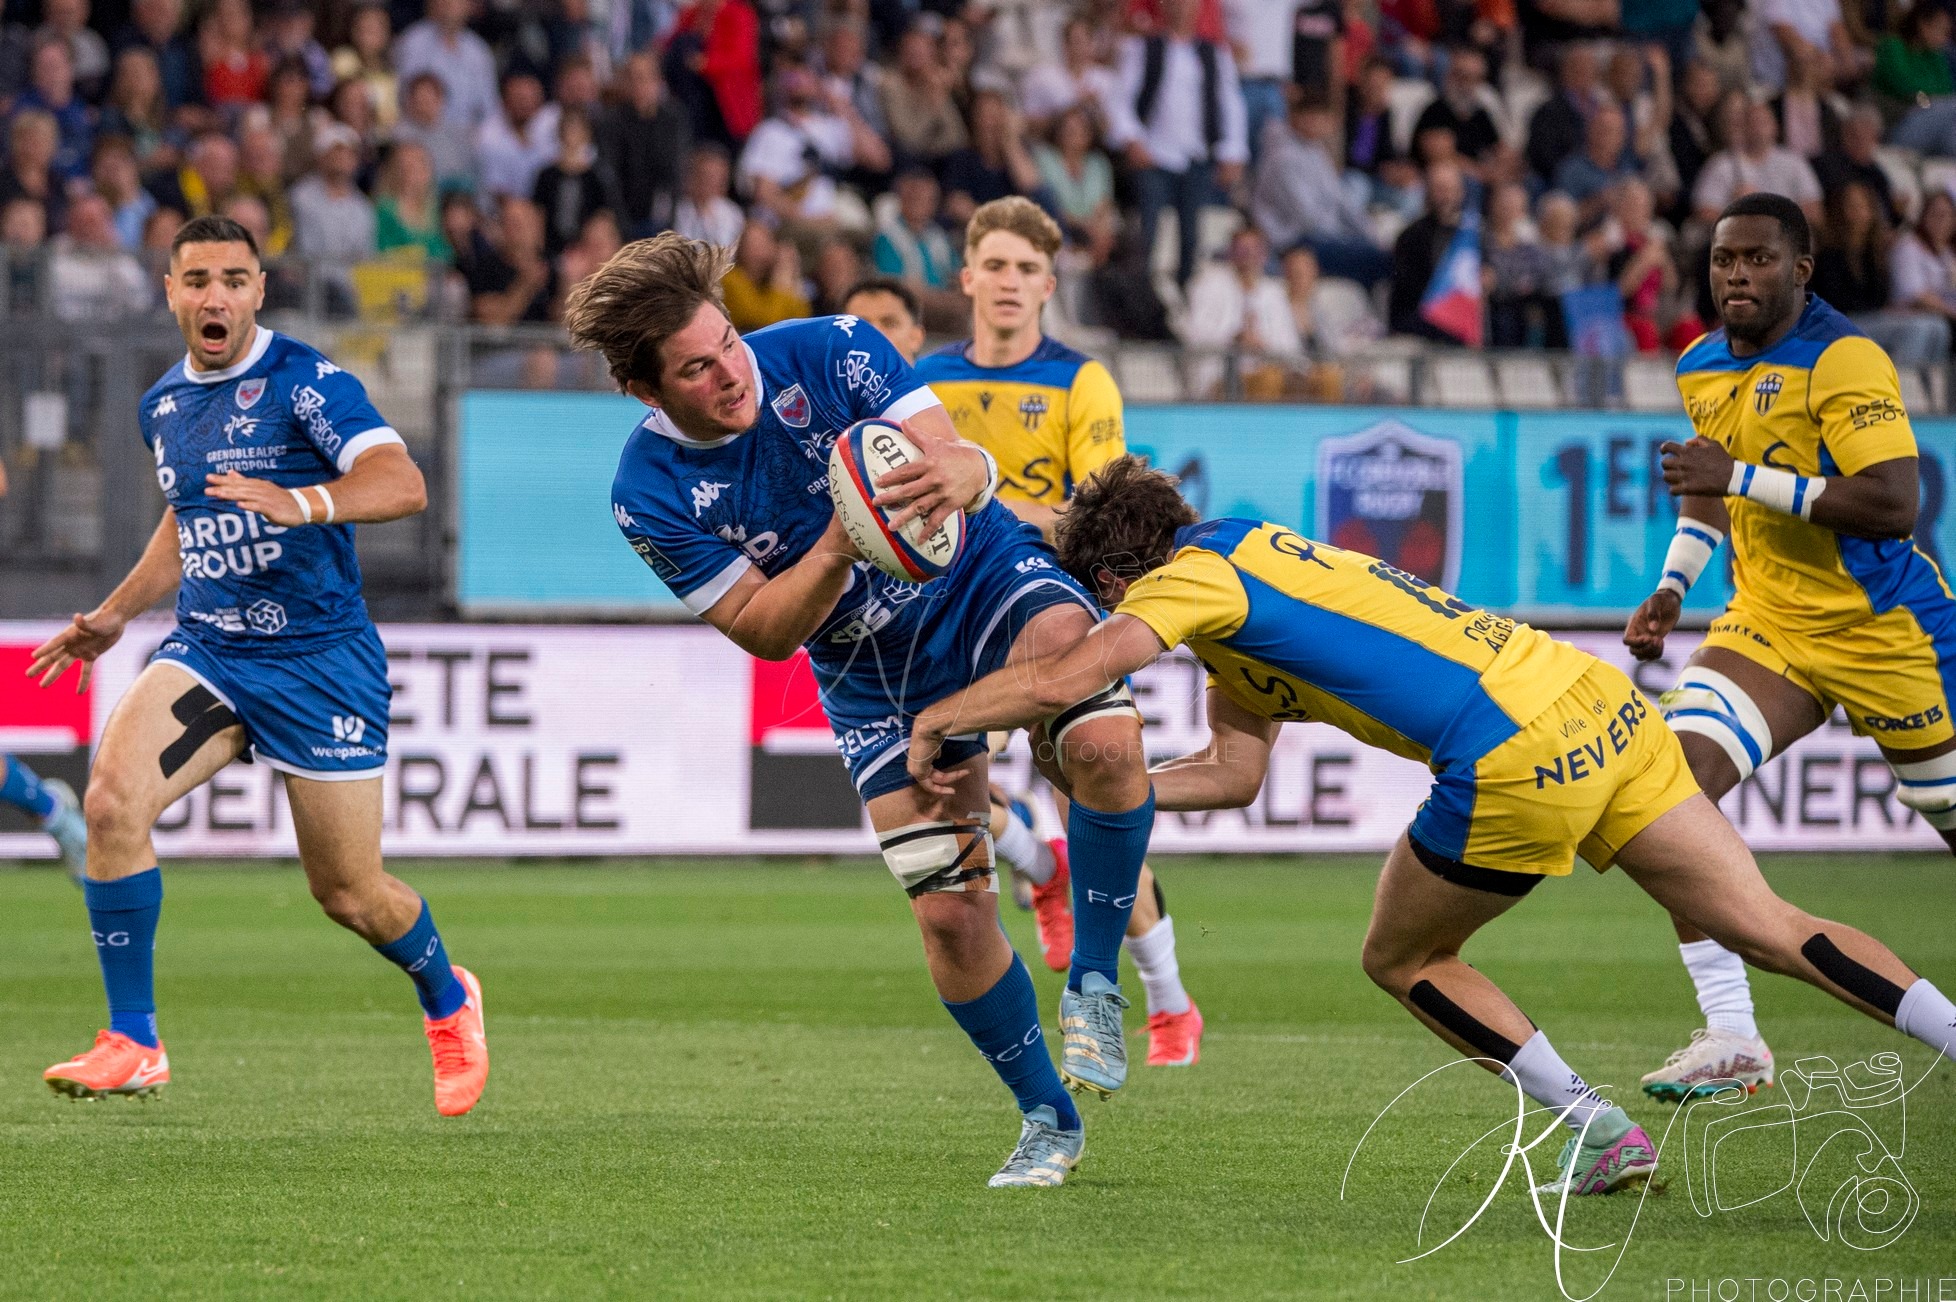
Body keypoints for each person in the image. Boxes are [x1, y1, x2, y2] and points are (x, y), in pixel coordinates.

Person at [907, 452, 1956, 1196]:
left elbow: (1082, 669)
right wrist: (1112, 795)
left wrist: (950, 719)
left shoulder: (1191, 583)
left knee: (1402, 954)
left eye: (1106, 600)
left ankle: (1596, 1130)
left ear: (1116, 582)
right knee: (1768, 926)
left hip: (1509, 747)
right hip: (1593, 702)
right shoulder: (1251, 570)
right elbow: (1232, 775)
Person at [564, 232, 1157, 1186]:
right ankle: (1049, 1118)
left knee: (1097, 732)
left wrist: (973, 472)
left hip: (982, 578)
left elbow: (954, 460)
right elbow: (761, 629)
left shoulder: (833, 346)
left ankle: (1094, 976)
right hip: (871, 668)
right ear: (648, 392)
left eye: (729, 344)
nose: (730, 375)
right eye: (698, 370)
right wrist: (843, 544)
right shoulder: (646, 492)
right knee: (952, 917)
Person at [26, 216, 488, 1114]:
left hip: (320, 662)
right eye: (197, 279)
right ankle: (133, 1039)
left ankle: (448, 995)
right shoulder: (164, 404)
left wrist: (300, 500)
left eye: (234, 279)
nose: (215, 297)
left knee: (350, 893)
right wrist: (116, 615)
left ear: (259, 291)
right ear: (169, 290)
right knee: (112, 802)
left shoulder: (308, 383)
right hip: (213, 648)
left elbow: (403, 483)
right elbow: (183, 520)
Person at [1624, 191, 1956, 1101]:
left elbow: (1894, 502)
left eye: (1760, 260)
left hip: (1887, 631)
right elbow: (1706, 486)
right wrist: (1673, 585)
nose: (1738, 274)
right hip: (1766, 623)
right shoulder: (1699, 365)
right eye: (1725, 259)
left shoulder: (1843, 359)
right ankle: (1731, 1034)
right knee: (1665, 791)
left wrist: (1736, 475)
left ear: (1801, 270)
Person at [913, 198, 1204, 1066]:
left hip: (1050, 610)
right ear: (967, 277)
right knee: (936, 788)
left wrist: (983, 494)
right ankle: (1041, 870)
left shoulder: (1081, 382)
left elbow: (1098, 516)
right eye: (993, 266)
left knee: (1095, 797)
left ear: (1049, 283)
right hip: (949, 614)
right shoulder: (926, 380)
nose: (1008, 283)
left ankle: (1167, 1000)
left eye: (1026, 270)